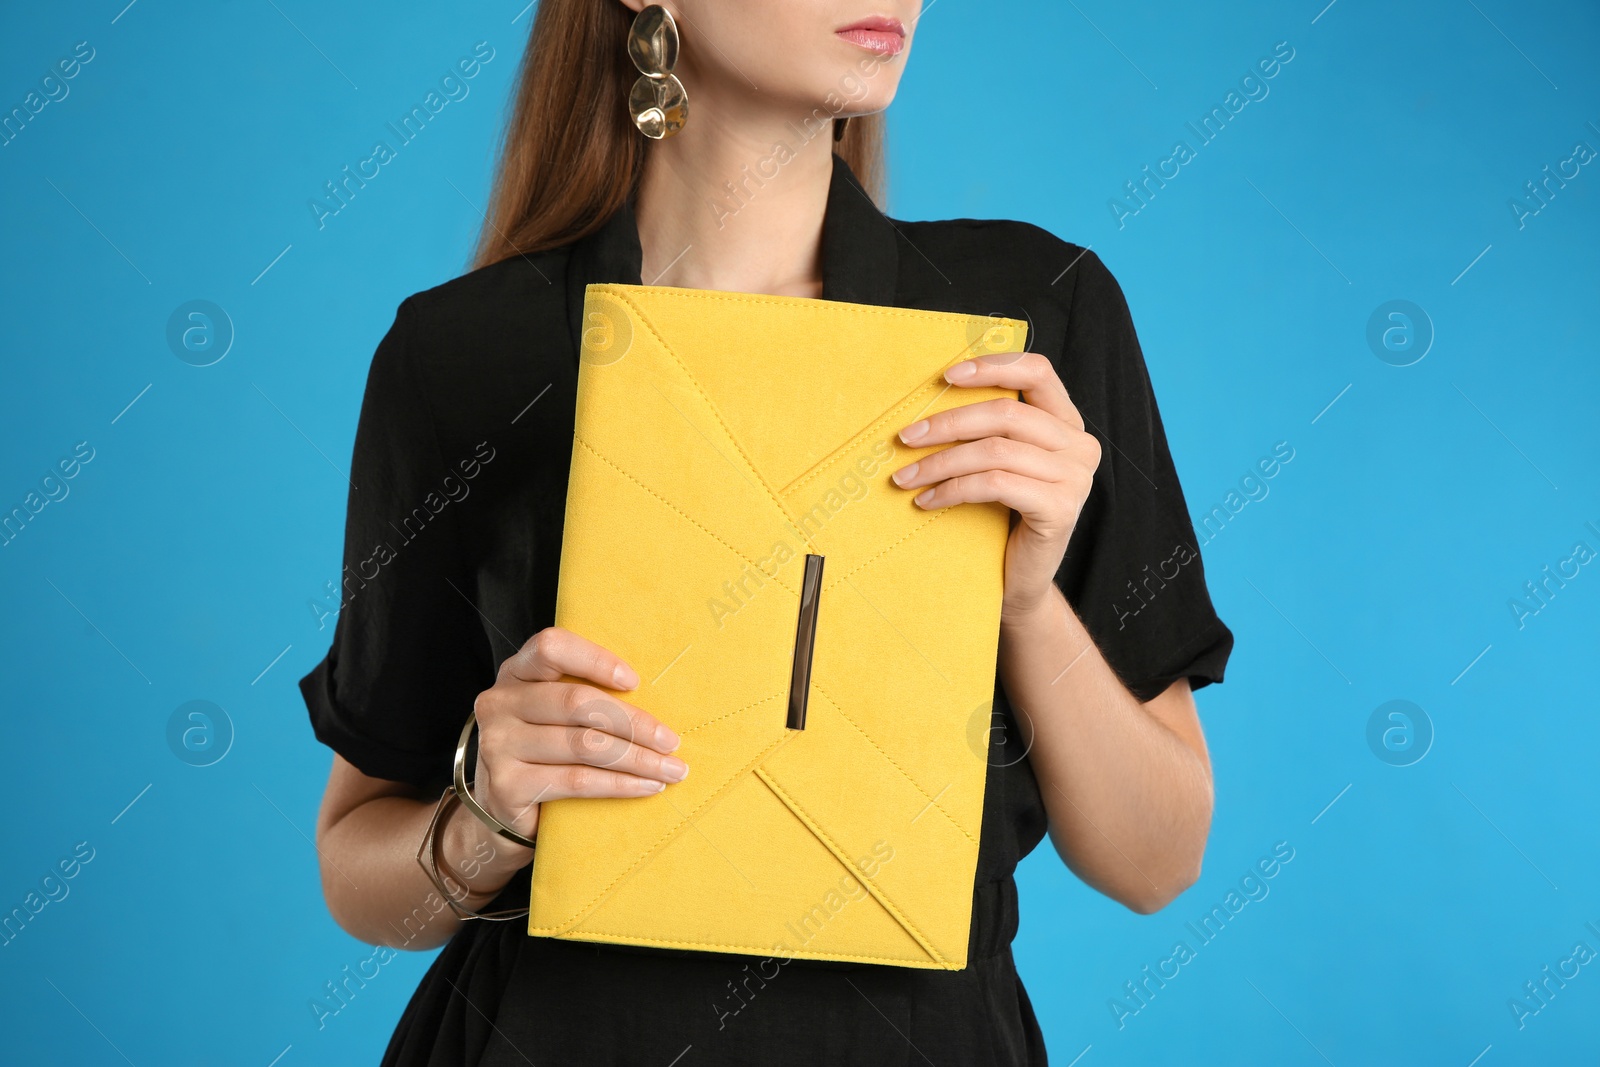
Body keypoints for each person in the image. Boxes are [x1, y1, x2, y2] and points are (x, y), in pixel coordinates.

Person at [299, 1, 1234, 1062]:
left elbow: (1157, 860)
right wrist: (486, 819)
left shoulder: (1028, 325)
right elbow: (356, 867)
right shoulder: (465, 353)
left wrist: (1020, 597)